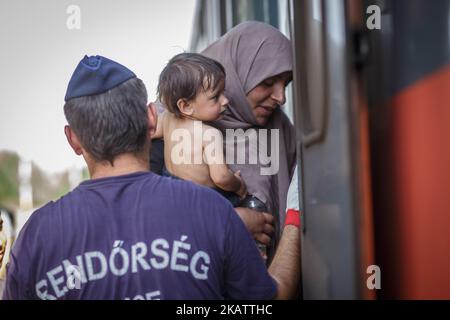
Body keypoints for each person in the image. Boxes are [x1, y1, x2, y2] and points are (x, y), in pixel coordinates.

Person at [2, 55, 300, 300]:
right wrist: (296, 217)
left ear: (73, 140)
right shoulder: (212, 211)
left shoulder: (35, 237)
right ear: (151, 118)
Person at [150, 21, 297, 261]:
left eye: (286, 83)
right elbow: (145, 222)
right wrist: (232, 222)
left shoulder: (280, 129)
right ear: (236, 77)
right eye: (268, 83)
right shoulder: (168, 124)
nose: (281, 98)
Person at [151, 53, 246, 207]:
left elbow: (150, 132)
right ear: (186, 106)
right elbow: (221, 177)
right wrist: (238, 185)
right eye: (216, 97)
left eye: (224, 92)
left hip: (171, 191)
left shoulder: (167, 119)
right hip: (204, 198)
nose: (226, 100)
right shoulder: (209, 135)